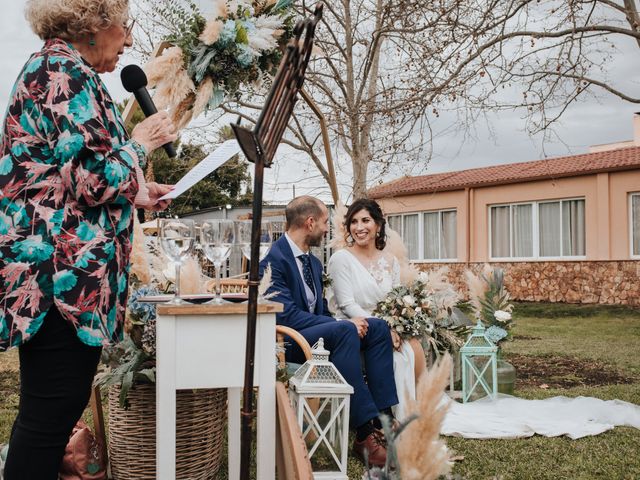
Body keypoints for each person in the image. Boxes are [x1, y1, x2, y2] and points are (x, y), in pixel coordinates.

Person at [0, 0, 176, 477]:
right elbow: (91, 179)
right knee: (48, 418)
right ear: (94, 24)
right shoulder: (64, 73)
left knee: (49, 414)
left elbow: (66, 180)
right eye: (126, 26)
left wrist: (138, 193)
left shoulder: (60, 69)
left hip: (59, 272)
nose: (130, 39)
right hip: (61, 279)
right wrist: (140, 143)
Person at [259, 196, 398, 467]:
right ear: (310, 223)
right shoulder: (274, 260)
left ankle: (384, 421)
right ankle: (365, 434)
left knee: (378, 327)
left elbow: (321, 311)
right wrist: (340, 325)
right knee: (345, 331)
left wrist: (338, 324)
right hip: (288, 341)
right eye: (324, 223)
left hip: (315, 334)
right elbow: (286, 315)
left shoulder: (312, 262)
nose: (327, 229)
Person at [327, 198, 427, 420]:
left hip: (386, 326)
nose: (359, 227)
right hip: (355, 326)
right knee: (396, 351)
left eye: (365, 220)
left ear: (378, 226)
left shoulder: (390, 261)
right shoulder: (341, 259)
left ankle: (413, 410)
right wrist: (384, 330)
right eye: (354, 222)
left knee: (412, 348)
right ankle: (385, 417)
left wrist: (397, 327)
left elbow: (396, 300)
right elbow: (346, 304)